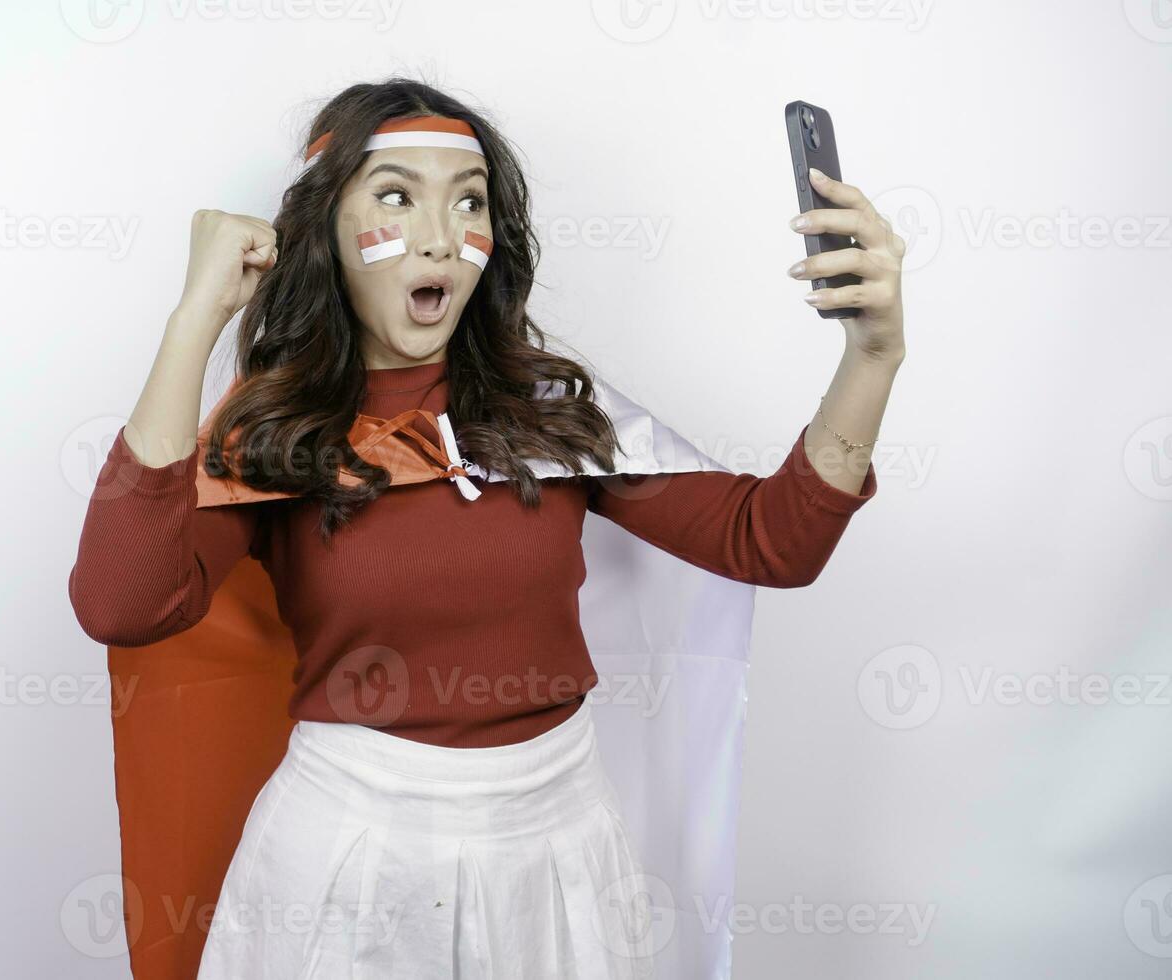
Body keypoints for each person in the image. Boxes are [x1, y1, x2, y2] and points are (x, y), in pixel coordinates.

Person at [68, 77, 904, 979]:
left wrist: (874, 354)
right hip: (348, 858)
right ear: (328, 236)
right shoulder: (280, 434)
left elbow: (772, 541)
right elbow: (123, 603)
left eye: (469, 202)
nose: (438, 236)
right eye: (395, 196)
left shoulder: (545, 409)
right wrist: (195, 322)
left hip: (558, 855)